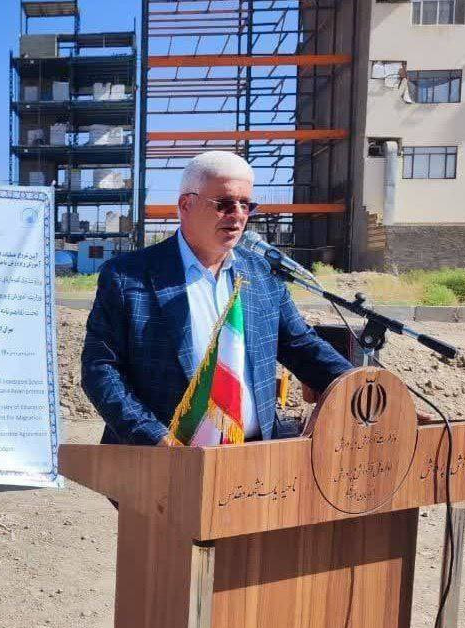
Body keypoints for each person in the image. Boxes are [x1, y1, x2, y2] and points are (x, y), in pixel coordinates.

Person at [81, 150, 351, 447]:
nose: (238, 215)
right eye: (224, 204)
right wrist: (153, 436)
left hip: (254, 455)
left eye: (246, 204)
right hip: (162, 459)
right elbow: (100, 369)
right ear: (186, 205)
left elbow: (301, 346)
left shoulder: (262, 272)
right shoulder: (128, 276)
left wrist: (365, 390)